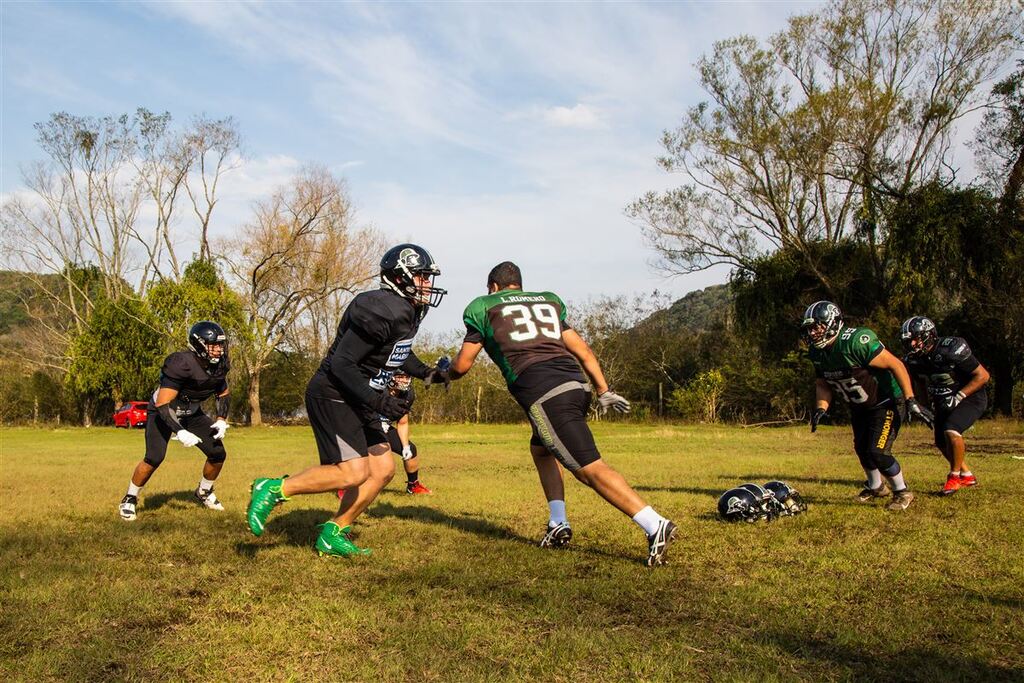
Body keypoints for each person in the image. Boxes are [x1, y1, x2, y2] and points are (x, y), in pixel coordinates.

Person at [447, 261, 677, 567]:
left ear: (493, 287)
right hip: (575, 385)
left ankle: (653, 523)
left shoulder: (484, 306)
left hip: (544, 393)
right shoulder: (547, 302)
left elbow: (462, 366)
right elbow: (583, 351)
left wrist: (441, 373)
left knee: (588, 467)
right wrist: (603, 390)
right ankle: (558, 523)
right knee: (541, 449)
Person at [246, 244, 449, 557]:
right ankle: (273, 488)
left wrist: (426, 373)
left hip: (359, 396)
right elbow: (342, 364)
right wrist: (379, 402)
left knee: (382, 470)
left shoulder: (406, 310)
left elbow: (396, 351)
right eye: (422, 276)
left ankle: (334, 532)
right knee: (352, 472)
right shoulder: (381, 308)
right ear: (400, 277)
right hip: (335, 392)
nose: (427, 284)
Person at [802, 301, 933, 512]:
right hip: (860, 406)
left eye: (817, 326)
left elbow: (896, 364)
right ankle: (876, 486)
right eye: (810, 328)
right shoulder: (817, 352)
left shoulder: (856, 341)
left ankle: (902, 491)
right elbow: (822, 383)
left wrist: (910, 399)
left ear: (833, 323)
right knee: (862, 449)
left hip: (886, 401)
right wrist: (821, 408)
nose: (813, 332)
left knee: (878, 451)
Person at [118, 321, 232, 521]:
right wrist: (179, 431)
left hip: (192, 412)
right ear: (199, 345)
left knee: (217, 453)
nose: (219, 350)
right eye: (214, 345)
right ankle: (129, 498)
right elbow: (163, 404)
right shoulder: (181, 363)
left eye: (221, 345)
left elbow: (223, 393)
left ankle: (203, 492)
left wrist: (221, 419)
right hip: (164, 411)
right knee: (154, 457)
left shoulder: (219, 366)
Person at [900, 316, 990, 495]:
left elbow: (983, 376)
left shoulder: (951, 349)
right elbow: (919, 383)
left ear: (929, 335)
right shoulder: (914, 360)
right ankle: (967, 475)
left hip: (970, 397)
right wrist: (923, 405)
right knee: (941, 442)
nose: (913, 344)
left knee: (952, 430)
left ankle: (954, 477)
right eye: (909, 341)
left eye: (916, 339)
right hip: (942, 400)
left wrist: (959, 396)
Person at [336, 372, 432, 498]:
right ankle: (346, 486)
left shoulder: (407, 395)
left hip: (383, 427)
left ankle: (413, 485)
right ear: (390, 377)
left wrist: (405, 446)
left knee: (411, 450)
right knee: (361, 458)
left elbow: (402, 422)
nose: (404, 380)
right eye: (400, 376)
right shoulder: (376, 390)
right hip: (362, 426)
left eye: (407, 377)